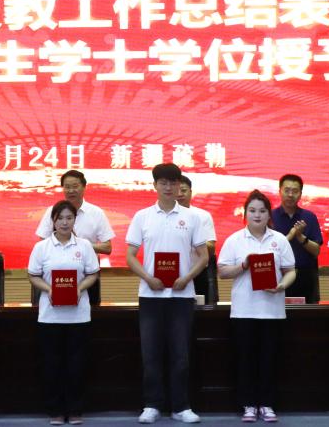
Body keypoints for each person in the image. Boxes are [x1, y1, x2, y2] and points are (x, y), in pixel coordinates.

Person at [125, 163, 209, 425]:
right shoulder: (142, 217)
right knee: (151, 354)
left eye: (173, 182)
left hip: (181, 296)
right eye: (163, 182)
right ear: (155, 186)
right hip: (151, 296)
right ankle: (152, 405)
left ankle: (181, 407)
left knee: (180, 355)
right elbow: (130, 256)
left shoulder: (192, 217)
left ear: (179, 185)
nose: (169, 187)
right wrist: (148, 278)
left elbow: (204, 257)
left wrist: (186, 278)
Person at [217, 190, 296, 423]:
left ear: (269, 214)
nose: (257, 215)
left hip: (272, 311)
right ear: (245, 213)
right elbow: (222, 272)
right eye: (252, 210)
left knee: (269, 359)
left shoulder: (279, 240)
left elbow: (291, 271)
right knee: (246, 359)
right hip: (244, 311)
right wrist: (243, 265)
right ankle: (249, 405)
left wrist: (281, 286)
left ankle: (267, 404)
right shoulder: (234, 240)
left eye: (262, 211)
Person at [28, 200, 101, 425]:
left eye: (69, 218)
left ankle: (75, 409)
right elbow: (33, 275)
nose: (65, 222)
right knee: (52, 365)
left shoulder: (84, 246)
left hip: (78, 316)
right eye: (60, 218)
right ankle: (55, 410)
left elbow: (93, 274)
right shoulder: (42, 247)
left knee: (77, 365)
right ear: (53, 221)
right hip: (50, 316)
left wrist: (79, 288)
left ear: (74, 220)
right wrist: (49, 289)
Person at [35, 170, 114, 304]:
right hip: (57, 273)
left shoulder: (96, 213)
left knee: (89, 311)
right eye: (67, 187)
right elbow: (42, 243)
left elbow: (107, 247)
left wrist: (80, 244)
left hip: (88, 275)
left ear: (84, 187)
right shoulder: (52, 212)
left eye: (75, 186)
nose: (71, 190)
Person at [270, 174, 323, 303]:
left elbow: (316, 251)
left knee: (307, 314)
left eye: (295, 191)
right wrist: (290, 235)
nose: (290, 195)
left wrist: (300, 237)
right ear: (280, 191)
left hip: (305, 277)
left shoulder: (309, 217)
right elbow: (266, 250)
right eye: (287, 190)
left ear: (300, 194)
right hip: (278, 276)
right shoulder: (270, 217)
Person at [176, 175, 217, 302]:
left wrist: (193, 239)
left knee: (201, 309)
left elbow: (211, 248)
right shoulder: (165, 216)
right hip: (174, 272)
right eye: (177, 190)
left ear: (191, 192)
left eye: (183, 190)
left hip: (198, 272)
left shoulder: (203, 216)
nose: (180, 194)